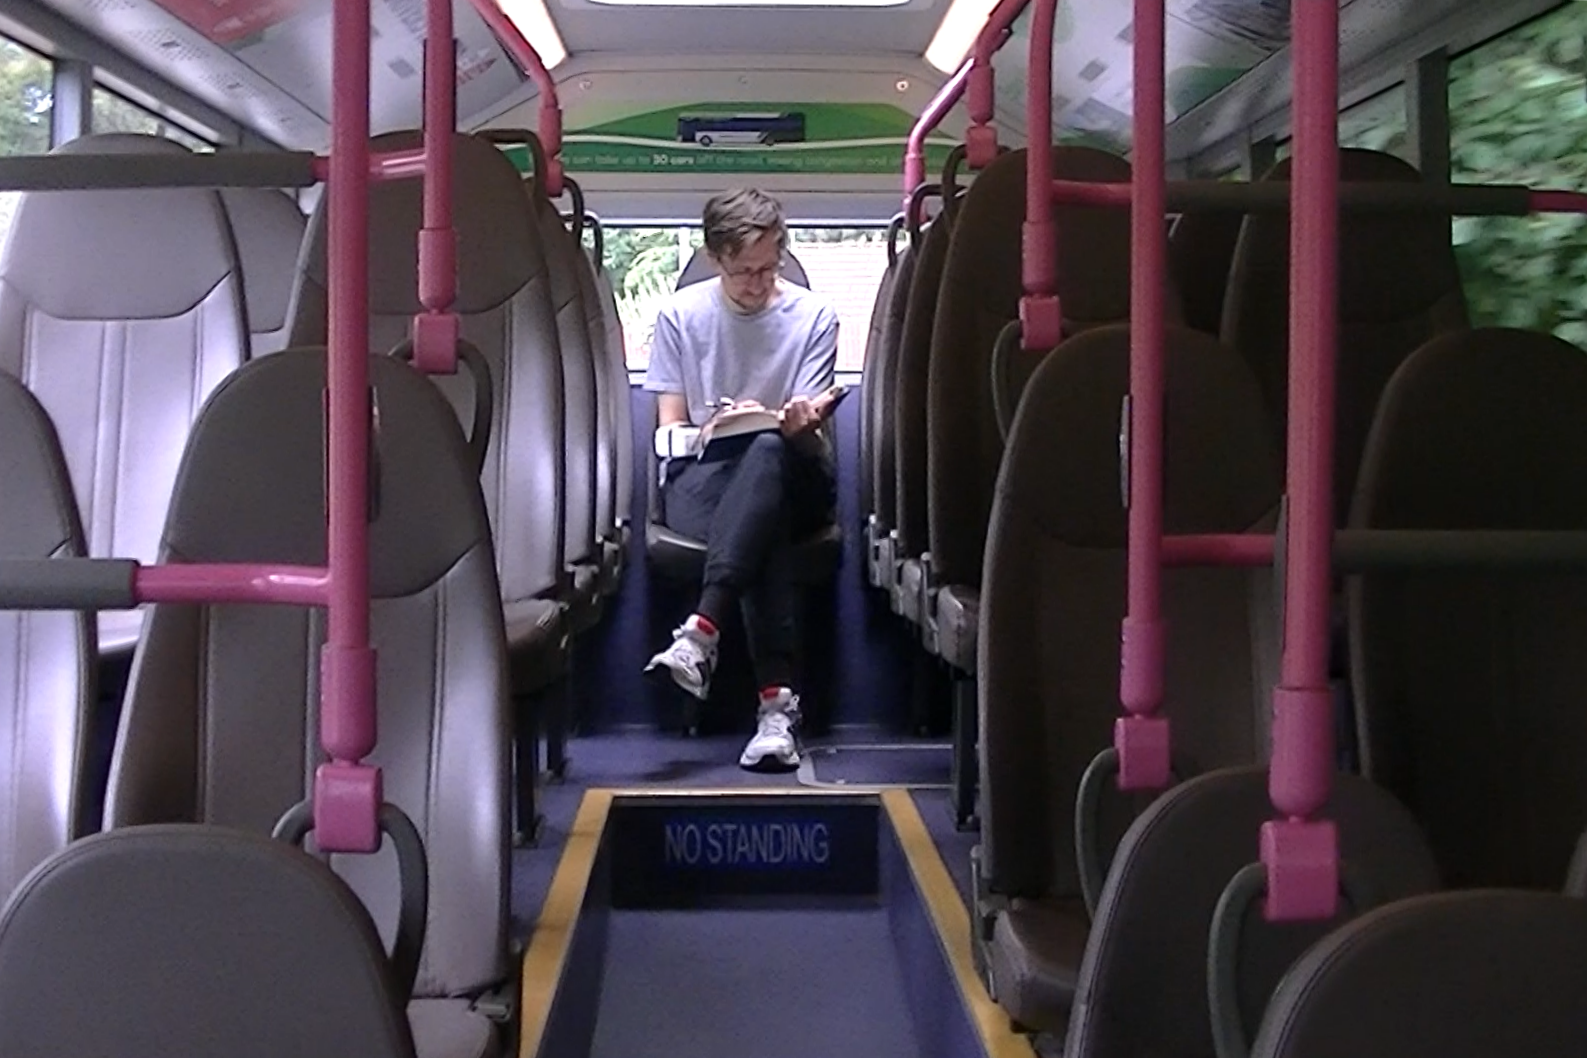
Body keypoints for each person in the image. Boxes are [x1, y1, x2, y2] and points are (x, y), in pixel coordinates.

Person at [642, 188, 840, 770]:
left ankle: (701, 632)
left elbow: (805, 425)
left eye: (769, 267)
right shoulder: (681, 317)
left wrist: (794, 424)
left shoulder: (813, 316)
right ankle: (777, 710)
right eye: (743, 271)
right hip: (706, 477)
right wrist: (707, 431)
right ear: (714, 259)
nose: (758, 283)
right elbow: (668, 433)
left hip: (794, 466)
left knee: (768, 451)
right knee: (760, 522)